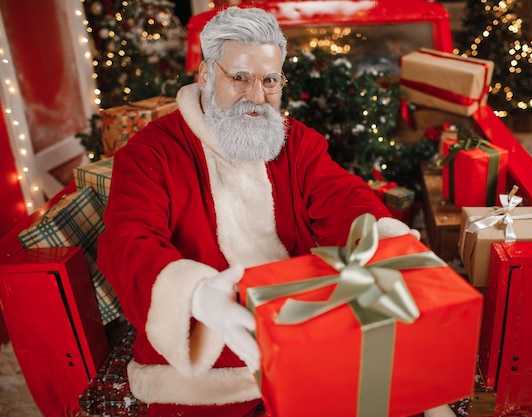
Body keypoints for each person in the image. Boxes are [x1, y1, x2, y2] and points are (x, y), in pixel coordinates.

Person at [98, 6, 454, 417]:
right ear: (205, 76)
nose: (257, 95)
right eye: (240, 77)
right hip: (210, 346)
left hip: (299, 322)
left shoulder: (294, 140)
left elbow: (342, 197)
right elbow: (128, 240)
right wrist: (197, 296)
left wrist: (387, 244)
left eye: (269, 80)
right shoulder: (150, 154)